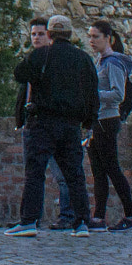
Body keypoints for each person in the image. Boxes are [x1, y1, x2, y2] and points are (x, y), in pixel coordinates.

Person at [6, 13, 97, 237]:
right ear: (70, 34)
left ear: (49, 34)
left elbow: (19, 74)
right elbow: (92, 94)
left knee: (35, 172)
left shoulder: (42, 55)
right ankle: (81, 222)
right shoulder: (83, 59)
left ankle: (28, 221)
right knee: (74, 174)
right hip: (71, 124)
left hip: (43, 122)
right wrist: (88, 121)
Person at [19, 19, 79, 228]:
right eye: (33, 34)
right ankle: (31, 218)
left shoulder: (53, 60)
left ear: (50, 35)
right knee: (33, 174)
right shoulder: (34, 60)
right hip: (32, 124)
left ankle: (69, 216)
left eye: (40, 34)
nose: (36, 37)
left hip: (51, 124)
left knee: (62, 174)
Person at [88, 20, 132, 231]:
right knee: (99, 171)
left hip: (107, 121)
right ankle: (99, 217)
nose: (92, 41)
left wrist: (93, 96)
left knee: (112, 168)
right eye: (90, 36)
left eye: (96, 37)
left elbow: (118, 94)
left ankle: (131, 214)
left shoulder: (113, 63)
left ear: (108, 38)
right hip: (97, 121)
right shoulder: (100, 62)